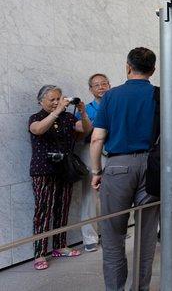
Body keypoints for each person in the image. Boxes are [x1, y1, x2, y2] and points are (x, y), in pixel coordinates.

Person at [90, 48, 160, 291]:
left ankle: (116, 288)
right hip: (152, 167)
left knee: (112, 235)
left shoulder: (112, 96)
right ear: (152, 70)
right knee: (146, 236)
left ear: (127, 67)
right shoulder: (159, 95)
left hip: (118, 165)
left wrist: (97, 171)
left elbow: (97, 139)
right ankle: (140, 288)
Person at [29, 85, 92, 270]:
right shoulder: (36, 118)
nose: (57, 102)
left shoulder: (67, 117)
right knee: (43, 211)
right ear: (41, 101)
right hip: (43, 170)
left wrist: (83, 112)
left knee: (62, 208)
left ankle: (59, 246)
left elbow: (85, 129)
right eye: (52, 99)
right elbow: (38, 130)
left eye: (59, 98)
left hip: (65, 169)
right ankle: (39, 254)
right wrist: (57, 111)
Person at [74, 73, 111, 252]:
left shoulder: (116, 106)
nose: (101, 87)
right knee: (90, 195)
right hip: (91, 152)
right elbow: (82, 132)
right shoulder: (86, 109)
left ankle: (110, 233)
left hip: (113, 152)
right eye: (97, 85)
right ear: (90, 90)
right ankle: (90, 237)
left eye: (104, 83)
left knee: (112, 195)